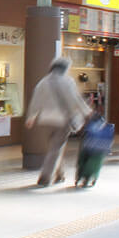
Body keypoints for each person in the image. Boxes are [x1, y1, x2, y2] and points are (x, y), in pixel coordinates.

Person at [26, 57, 92, 187]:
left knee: (54, 147)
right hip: (62, 120)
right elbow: (76, 99)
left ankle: (60, 174)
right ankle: (45, 177)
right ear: (65, 68)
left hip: (45, 120)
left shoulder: (43, 82)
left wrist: (31, 117)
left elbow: (36, 101)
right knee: (55, 148)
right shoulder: (68, 81)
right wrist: (86, 111)